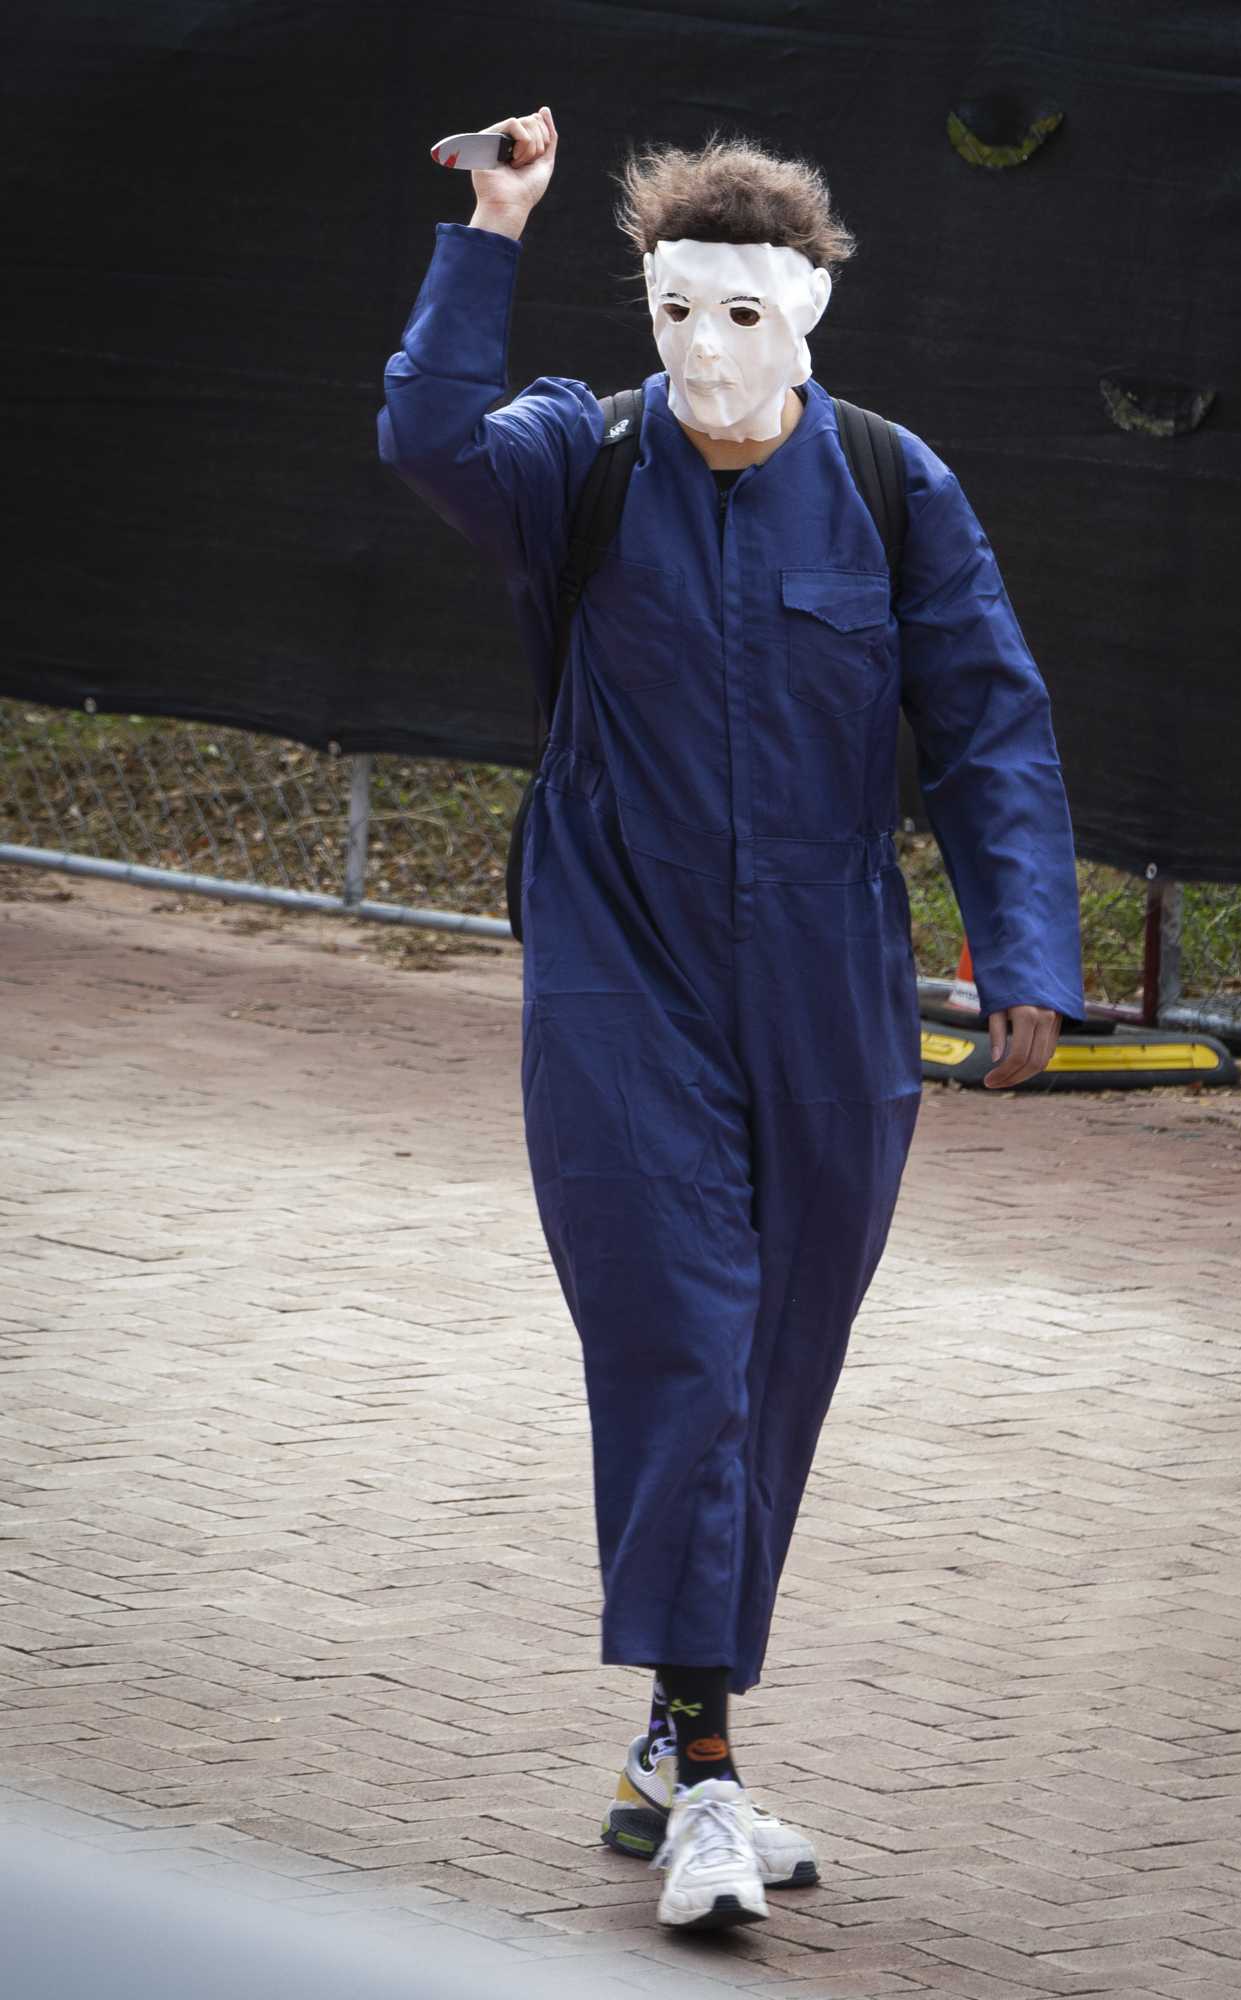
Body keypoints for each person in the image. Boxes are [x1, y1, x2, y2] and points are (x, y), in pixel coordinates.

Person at [378, 106, 1084, 1932]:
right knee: (683, 1336)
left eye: (741, 316)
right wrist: (493, 228)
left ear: (807, 313)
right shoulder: (579, 452)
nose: (703, 351)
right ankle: (705, 1776)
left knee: (775, 1361)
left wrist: (1023, 950)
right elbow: (427, 435)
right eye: (673, 311)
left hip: (830, 984)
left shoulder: (892, 485)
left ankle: (667, 1738)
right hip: (617, 966)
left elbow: (989, 723)